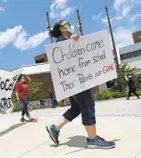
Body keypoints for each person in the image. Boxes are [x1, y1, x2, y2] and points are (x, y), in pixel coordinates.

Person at [45, 20, 116, 149]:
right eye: (67, 24)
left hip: (73, 84)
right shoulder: (64, 41)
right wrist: (72, 40)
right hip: (78, 83)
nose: (70, 25)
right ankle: (92, 139)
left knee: (76, 108)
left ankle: (55, 128)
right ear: (61, 28)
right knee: (88, 105)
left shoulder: (63, 41)